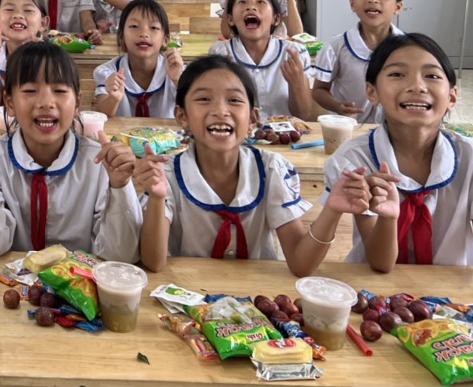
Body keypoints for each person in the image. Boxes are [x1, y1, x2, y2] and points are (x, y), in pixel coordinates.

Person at [134, 55, 362, 275]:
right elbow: (154, 262)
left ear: (253, 119)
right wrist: (156, 198)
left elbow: (301, 265)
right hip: (188, 290)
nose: (220, 111)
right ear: (182, 116)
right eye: (204, 99)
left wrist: (332, 211)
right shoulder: (167, 173)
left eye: (234, 100)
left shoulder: (271, 169)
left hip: (258, 295)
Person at [322, 33, 473, 276]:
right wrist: (388, 219)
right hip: (375, 288)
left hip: (456, 293)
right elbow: (380, 263)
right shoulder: (355, 162)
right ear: (372, 92)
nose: (417, 86)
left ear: (452, 97)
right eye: (397, 74)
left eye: (432, 76)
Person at [0, 42, 142, 258]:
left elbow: (121, 254)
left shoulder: (99, 163)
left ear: (77, 103)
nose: (46, 103)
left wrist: (120, 186)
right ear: (9, 103)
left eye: (59, 91)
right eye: (30, 91)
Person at [209, 0, 317, 120]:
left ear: (276, 19)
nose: (251, 7)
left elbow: (303, 114)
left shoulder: (293, 53)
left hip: (284, 132)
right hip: (238, 131)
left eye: (260, 2)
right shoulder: (220, 54)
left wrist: (296, 84)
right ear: (230, 19)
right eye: (242, 2)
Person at [313, 0, 404, 121]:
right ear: (352, 4)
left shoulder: (408, 48)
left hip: (395, 129)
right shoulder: (335, 47)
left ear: (398, 7)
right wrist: (337, 106)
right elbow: (319, 90)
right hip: (349, 128)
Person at [93, 0, 184, 119]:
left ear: (165, 40)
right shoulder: (108, 71)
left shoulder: (178, 70)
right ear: (121, 36)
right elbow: (101, 114)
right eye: (134, 26)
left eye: (154, 27)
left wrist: (178, 81)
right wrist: (113, 99)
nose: (144, 34)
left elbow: (193, 112)